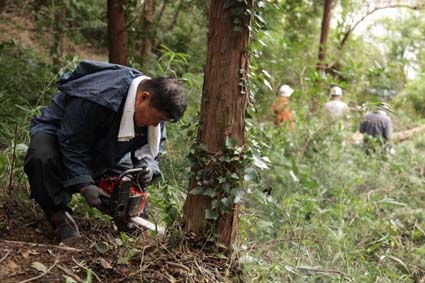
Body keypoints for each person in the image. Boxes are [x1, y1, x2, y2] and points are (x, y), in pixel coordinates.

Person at [24, 60, 187, 243]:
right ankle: (59, 216)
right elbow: (73, 142)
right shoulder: (99, 94)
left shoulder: (156, 106)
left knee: (128, 185)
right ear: (143, 98)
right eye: (157, 118)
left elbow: (150, 150)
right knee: (41, 156)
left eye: (162, 121)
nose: (157, 125)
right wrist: (84, 184)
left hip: (110, 147)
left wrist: (147, 167)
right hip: (61, 135)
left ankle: (132, 226)